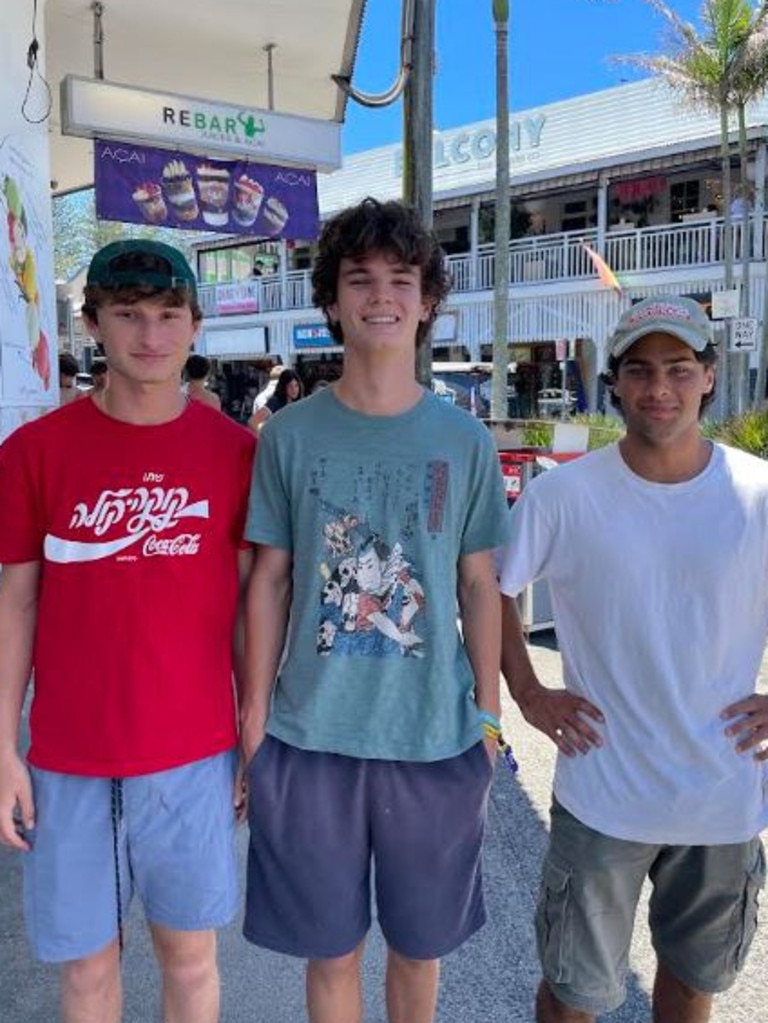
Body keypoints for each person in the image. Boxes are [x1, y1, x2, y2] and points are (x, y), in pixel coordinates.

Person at [240, 197, 510, 1023]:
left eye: (403, 278)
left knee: (418, 953)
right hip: (310, 734)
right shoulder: (288, 435)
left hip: (434, 737)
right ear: (330, 301)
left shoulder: (463, 440)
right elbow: (271, 582)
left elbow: (477, 587)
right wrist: (254, 719)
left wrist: (491, 717)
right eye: (360, 279)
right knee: (332, 953)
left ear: (428, 301)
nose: (381, 296)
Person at [0, 239, 256, 1023]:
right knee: (86, 972)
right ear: (93, 325)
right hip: (69, 759)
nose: (150, 334)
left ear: (195, 325)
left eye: (168, 315)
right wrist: (2, 743)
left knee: (190, 959)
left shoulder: (239, 454)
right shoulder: (33, 452)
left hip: (194, 755)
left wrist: (254, 730)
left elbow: (252, 605)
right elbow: (15, 603)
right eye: (128, 315)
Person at [499, 295, 768, 1023]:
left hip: (722, 796)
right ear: (614, 382)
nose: (660, 388)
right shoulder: (563, 495)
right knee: (571, 992)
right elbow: (493, 586)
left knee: (690, 984)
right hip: (602, 792)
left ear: (709, 376)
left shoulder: (758, 492)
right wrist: (527, 689)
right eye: (641, 369)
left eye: (679, 369)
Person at [246, 366, 303, 432]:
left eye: (296, 385)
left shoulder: (298, 403)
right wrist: (269, 437)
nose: (294, 389)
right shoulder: (275, 402)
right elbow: (252, 422)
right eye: (290, 386)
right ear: (284, 387)